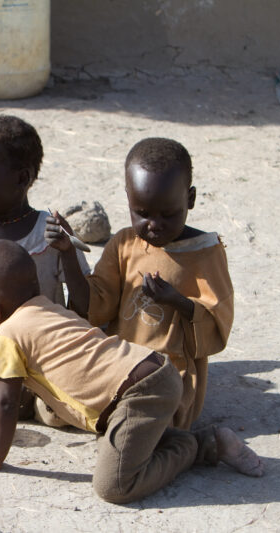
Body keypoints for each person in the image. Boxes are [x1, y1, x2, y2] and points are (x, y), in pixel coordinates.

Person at [0, 240, 263, 503]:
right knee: (122, 440)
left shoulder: (7, 334)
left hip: (139, 392)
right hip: (151, 371)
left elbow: (4, 403)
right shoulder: (47, 307)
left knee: (114, 486)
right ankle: (172, 440)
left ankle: (199, 446)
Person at [46, 137, 233, 429]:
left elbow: (217, 322)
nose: (153, 224)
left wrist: (177, 301)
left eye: (168, 214)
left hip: (169, 374)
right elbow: (95, 306)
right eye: (142, 213)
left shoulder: (205, 252)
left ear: (191, 199)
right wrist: (68, 252)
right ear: (129, 198)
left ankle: (197, 445)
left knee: (150, 421)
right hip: (121, 363)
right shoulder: (124, 244)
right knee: (53, 405)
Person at [0, 115, 90, 413]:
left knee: (82, 391)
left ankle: (20, 401)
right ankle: (27, 402)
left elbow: (85, 304)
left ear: (22, 178)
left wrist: (68, 253)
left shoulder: (50, 234)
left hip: (47, 348)